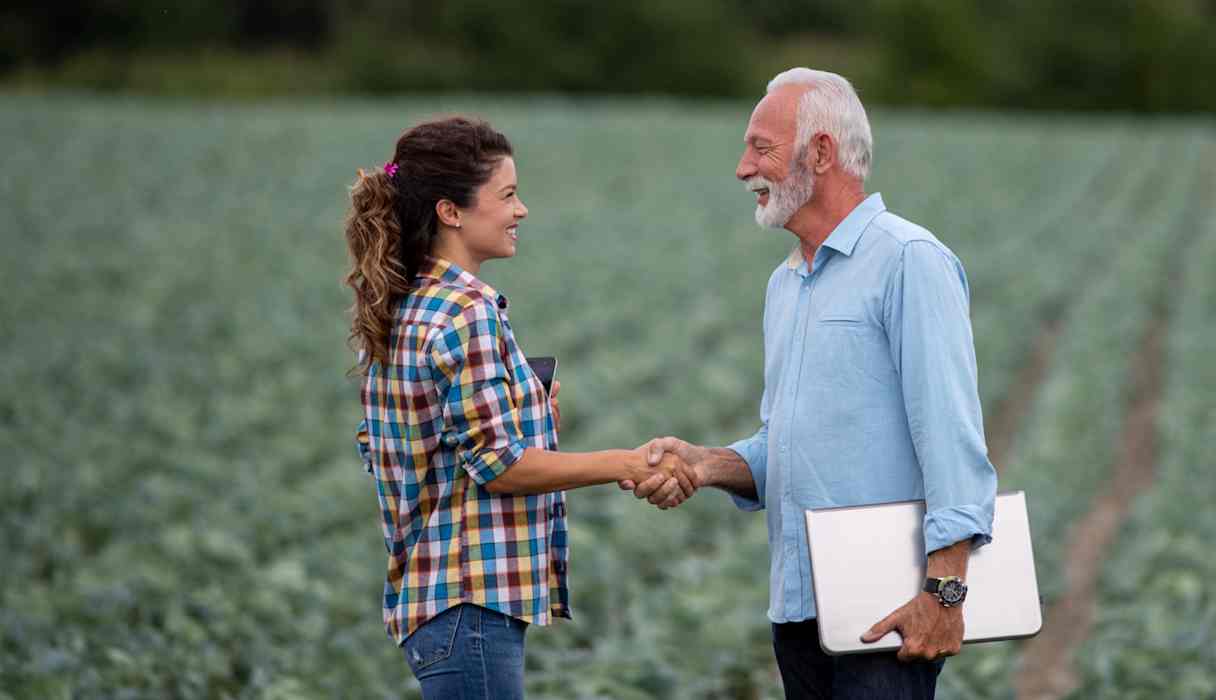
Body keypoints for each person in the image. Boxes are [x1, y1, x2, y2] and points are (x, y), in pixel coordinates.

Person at [627, 68, 999, 698]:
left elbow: (951, 434)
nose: (744, 168)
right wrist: (708, 463)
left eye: (760, 147)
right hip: (799, 611)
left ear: (821, 152)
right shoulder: (785, 284)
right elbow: (792, 445)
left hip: (889, 612)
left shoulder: (908, 261)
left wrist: (945, 592)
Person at [345, 116, 695, 700]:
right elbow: (498, 466)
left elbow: (429, 449)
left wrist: (531, 418)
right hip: (469, 603)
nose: (521, 210)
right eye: (507, 195)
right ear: (450, 212)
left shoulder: (407, 304)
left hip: (434, 603)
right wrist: (627, 464)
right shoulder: (466, 310)